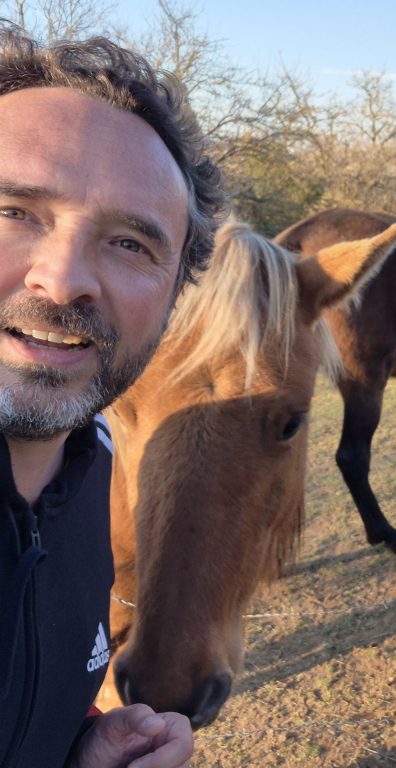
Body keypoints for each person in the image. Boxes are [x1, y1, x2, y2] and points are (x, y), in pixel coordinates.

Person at [0, 25, 225, 768]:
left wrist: (73, 753)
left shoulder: (90, 465)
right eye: (14, 212)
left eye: (130, 242)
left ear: (171, 296)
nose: (63, 281)